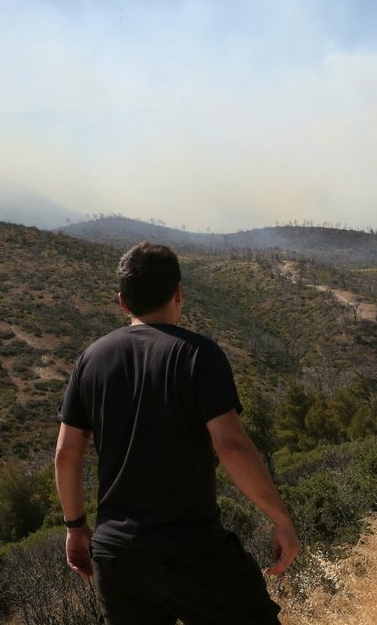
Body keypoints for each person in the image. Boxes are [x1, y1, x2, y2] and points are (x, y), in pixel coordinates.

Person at [55, 241, 299, 625]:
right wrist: (280, 519)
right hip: (191, 547)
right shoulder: (198, 355)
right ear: (179, 292)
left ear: (122, 301)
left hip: (117, 556)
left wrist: (75, 528)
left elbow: (66, 454)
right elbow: (231, 446)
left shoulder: (92, 359)